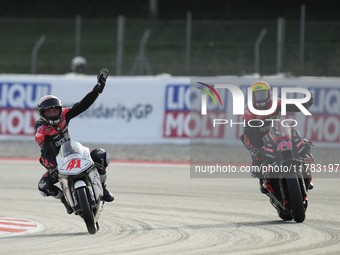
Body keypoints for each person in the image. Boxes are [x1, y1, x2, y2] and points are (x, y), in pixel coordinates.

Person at [35, 68, 114, 214]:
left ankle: (103, 187)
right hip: (56, 162)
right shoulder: (41, 130)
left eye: (55, 110)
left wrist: (98, 89)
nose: (53, 114)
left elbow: (83, 105)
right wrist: (52, 168)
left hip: (72, 152)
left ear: (59, 109)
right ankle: (65, 200)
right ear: (42, 114)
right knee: (43, 186)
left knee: (102, 156)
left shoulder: (64, 115)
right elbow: (45, 152)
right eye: (49, 112)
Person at [241, 81, 314, 194]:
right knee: (256, 167)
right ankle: (263, 180)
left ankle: (305, 174)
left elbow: (295, 106)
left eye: (262, 95)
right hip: (258, 141)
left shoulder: (276, 102)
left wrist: (306, 102)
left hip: (275, 133)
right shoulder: (249, 113)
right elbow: (246, 134)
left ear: (269, 94)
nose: (260, 99)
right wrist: (253, 149)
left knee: (302, 145)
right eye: (256, 96)